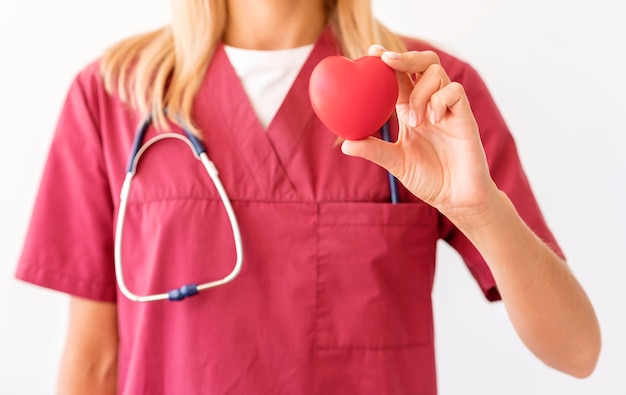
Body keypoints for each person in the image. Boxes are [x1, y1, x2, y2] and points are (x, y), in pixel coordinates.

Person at [15, 0, 601, 394]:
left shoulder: (427, 95)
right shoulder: (112, 95)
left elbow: (577, 351)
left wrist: (480, 209)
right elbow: (92, 361)